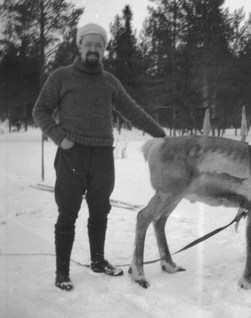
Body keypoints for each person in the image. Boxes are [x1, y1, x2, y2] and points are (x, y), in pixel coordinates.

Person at [33, 23, 166, 291]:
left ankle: (97, 261)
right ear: (80, 46)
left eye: (99, 45)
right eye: (89, 44)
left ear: (104, 50)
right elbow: (41, 111)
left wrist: (161, 135)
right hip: (73, 154)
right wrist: (60, 138)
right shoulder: (61, 76)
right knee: (68, 212)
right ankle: (62, 272)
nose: (93, 49)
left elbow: (133, 112)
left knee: (100, 210)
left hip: (103, 154)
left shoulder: (109, 82)